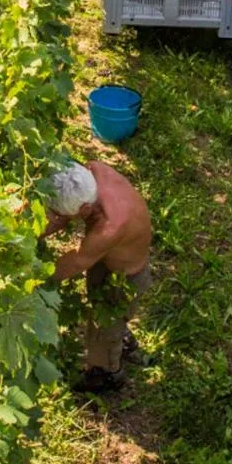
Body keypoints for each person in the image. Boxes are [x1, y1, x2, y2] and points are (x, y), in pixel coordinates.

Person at [44, 161, 152, 393]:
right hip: (108, 259)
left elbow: (77, 261)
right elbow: (62, 218)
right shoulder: (93, 172)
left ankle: (107, 374)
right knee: (101, 307)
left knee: (105, 324)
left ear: (84, 209)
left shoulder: (110, 227)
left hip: (125, 279)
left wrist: (34, 279)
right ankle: (121, 337)